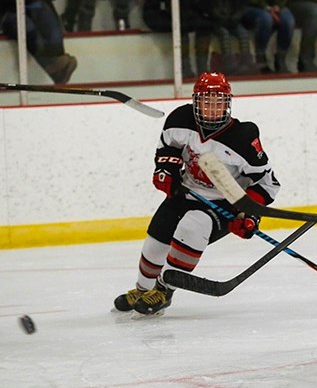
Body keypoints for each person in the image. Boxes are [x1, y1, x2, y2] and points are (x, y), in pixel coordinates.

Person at [114, 72, 280, 317]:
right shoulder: (180, 118)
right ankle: (142, 289)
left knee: (193, 226)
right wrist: (165, 171)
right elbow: (167, 149)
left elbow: (268, 183)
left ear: (228, 104)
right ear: (195, 102)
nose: (212, 109)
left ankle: (163, 291)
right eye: (206, 102)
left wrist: (250, 214)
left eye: (218, 103)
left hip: (222, 204)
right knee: (154, 244)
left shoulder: (243, 137)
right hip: (185, 192)